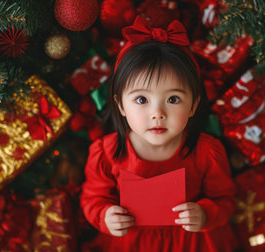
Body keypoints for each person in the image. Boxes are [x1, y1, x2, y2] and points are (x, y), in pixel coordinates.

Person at [80, 16, 238, 252]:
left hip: (192, 243)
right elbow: (93, 198)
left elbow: (225, 200)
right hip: (131, 243)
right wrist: (105, 216)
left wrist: (205, 214)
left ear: (193, 105)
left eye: (173, 99)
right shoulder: (106, 153)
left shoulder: (207, 151)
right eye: (141, 99)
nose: (157, 113)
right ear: (121, 105)